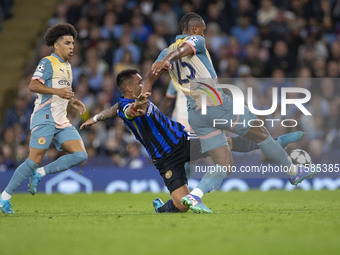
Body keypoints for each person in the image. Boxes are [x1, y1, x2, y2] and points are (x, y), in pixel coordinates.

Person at [141, 12, 315, 210]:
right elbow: (184, 49)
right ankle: (293, 172)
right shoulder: (194, 40)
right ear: (195, 30)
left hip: (195, 113)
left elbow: (149, 77)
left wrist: (142, 96)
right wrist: (171, 58)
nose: (204, 36)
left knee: (224, 162)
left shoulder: (163, 53)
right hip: (214, 102)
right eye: (204, 31)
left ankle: (196, 195)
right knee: (261, 133)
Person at [81, 69, 303, 214]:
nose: (144, 83)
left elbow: (112, 110)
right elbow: (128, 111)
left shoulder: (131, 100)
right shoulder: (130, 106)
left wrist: (97, 117)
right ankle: (162, 209)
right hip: (164, 159)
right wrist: (136, 104)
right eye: (140, 82)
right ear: (129, 88)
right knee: (181, 205)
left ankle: (272, 142)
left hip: (182, 141)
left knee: (225, 142)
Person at [0, 23, 88, 214]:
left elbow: (60, 92)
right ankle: (4, 197)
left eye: (73, 43)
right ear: (56, 45)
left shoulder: (67, 66)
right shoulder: (47, 62)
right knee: (34, 159)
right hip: (45, 117)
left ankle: (40, 174)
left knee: (81, 154)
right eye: (67, 43)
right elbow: (33, 85)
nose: (72, 46)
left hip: (61, 119)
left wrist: (72, 100)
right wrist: (57, 91)